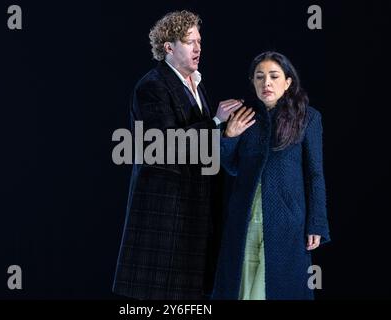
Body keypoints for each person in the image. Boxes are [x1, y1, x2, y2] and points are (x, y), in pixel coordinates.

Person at [112, 10, 243, 300]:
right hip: (167, 213)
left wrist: (227, 133)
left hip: (196, 209)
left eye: (199, 40)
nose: (198, 48)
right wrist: (217, 122)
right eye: (189, 41)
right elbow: (161, 146)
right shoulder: (152, 86)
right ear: (168, 47)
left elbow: (200, 146)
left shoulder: (194, 83)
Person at [211, 51, 331, 300]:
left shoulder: (308, 118)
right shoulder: (243, 116)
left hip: (287, 221)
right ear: (253, 82)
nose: (266, 83)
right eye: (259, 77)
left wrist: (317, 223)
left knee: (276, 291)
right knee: (241, 290)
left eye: (274, 76)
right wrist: (229, 137)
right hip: (245, 218)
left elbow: (315, 175)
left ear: (287, 82)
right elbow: (233, 167)